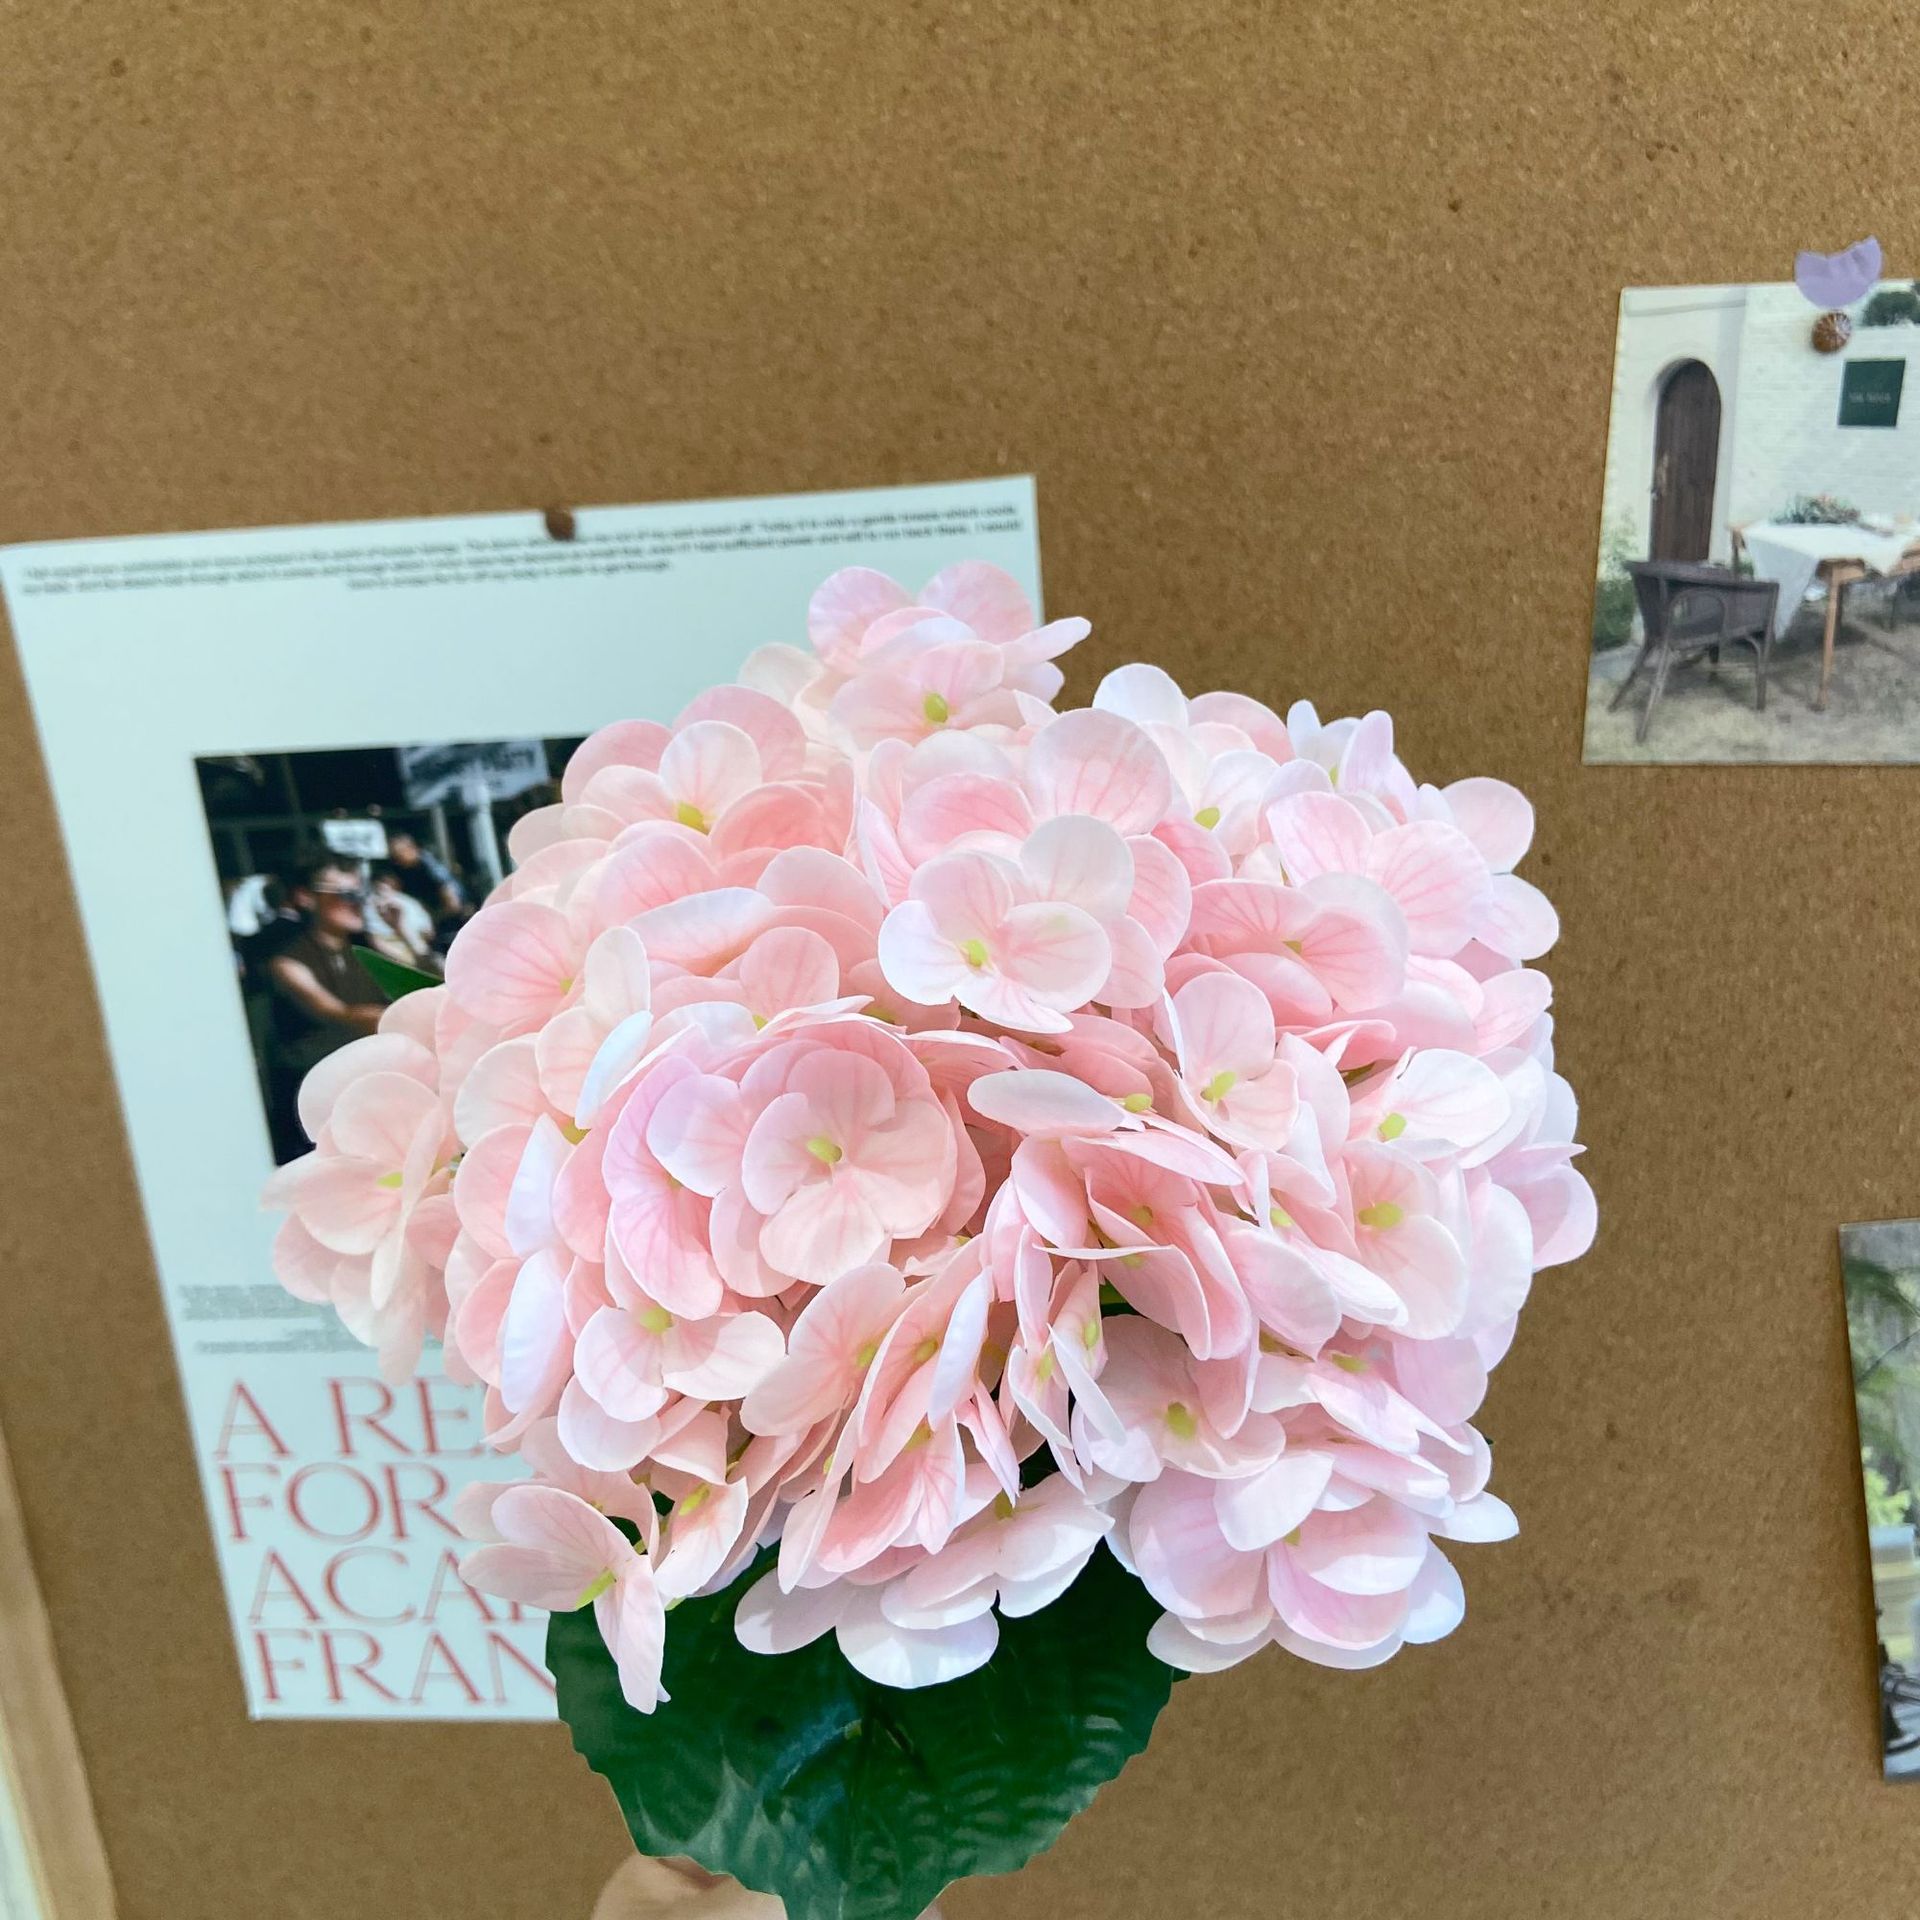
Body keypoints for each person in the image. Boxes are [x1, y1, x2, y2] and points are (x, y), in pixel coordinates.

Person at [262, 858, 390, 1158]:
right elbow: (335, 1012)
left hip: (364, 1086)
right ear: (307, 897)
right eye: (346, 895)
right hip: (313, 1100)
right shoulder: (288, 961)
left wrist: (399, 929)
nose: (357, 904)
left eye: (362, 894)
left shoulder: (365, 950)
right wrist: (405, 1016)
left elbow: (422, 980)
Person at [386, 830, 467, 938]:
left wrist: (432, 919)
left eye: (399, 854)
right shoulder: (403, 870)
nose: (397, 860)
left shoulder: (430, 867)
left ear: (411, 849)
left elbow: (452, 903)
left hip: (449, 920)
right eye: (394, 856)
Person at [370, 865, 439, 971]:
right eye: (381, 882)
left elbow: (429, 933)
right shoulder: (370, 905)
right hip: (397, 960)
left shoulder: (410, 902)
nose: (385, 885)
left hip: (420, 951)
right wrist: (406, 960)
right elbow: (376, 940)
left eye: (388, 881)